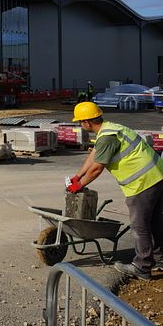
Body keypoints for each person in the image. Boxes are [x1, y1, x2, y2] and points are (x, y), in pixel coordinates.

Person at [67, 102, 163, 280]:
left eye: (80, 122)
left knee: (139, 226)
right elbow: (94, 155)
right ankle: (159, 259)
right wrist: (78, 176)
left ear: (87, 122)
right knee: (155, 221)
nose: (80, 125)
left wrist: (80, 186)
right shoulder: (110, 129)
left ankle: (142, 267)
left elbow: (97, 168)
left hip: (142, 183)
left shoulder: (107, 137)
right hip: (157, 176)